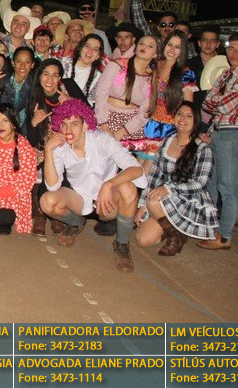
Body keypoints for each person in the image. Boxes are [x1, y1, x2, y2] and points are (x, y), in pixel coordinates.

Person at [41, 99, 146, 272]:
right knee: (47, 201)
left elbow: (136, 169)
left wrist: (109, 184)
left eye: (74, 124)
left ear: (85, 125)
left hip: (107, 204)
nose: (68, 130)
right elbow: (52, 186)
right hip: (80, 200)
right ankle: (76, 223)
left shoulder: (102, 140)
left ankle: (122, 244)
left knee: (128, 188)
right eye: (64, 124)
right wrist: (48, 150)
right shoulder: (60, 148)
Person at [200, 32, 238, 250]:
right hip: (219, 131)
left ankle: (224, 236)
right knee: (212, 183)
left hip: (233, 134)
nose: (234, 53)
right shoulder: (227, 73)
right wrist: (217, 103)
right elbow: (207, 103)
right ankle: (212, 229)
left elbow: (223, 105)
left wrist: (216, 101)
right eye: (231, 48)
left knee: (227, 186)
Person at [135, 101, 219, 256]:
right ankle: (173, 229)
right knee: (143, 240)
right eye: (179, 114)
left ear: (196, 121)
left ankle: (176, 236)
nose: (183, 118)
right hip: (166, 198)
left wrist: (168, 189)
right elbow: (154, 176)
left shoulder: (202, 148)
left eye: (189, 116)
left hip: (189, 199)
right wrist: (142, 206)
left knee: (154, 201)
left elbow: (201, 184)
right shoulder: (166, 142)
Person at [24, 58, 86, 236]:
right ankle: (41, 214)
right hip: (44, 148)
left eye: (54, 75)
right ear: (39, 77)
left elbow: (90, 117)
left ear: (60, 78)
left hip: (71, 145)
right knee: (42, 161)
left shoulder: (69, 87)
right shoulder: (35, 96)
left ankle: (54, 214)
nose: (49, 79)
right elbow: (33, 141)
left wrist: (72, 103)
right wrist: (34, 123)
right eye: (45, 74)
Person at [137, 32, 197, 169]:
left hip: (168, 129)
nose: (172, 49)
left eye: (177, 47)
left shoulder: (185, 73)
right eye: (170, 45)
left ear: (182, 51)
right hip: (147, 123)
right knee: (135, 168)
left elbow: (188, 107)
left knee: (147, 172)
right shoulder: (154, 65)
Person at [0, 103, 37, 234]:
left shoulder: (24, 147)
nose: (0, 125)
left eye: (5, 120)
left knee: (3, 218)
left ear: (14, 123)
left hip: (11, 193)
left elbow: (25, 183)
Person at [94, 35, 158, 153]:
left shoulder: (152, 78)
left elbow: (146, 111)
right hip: (105, 118)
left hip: (129, 126)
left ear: (155, 55)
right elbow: (100, 93)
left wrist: (122, 132)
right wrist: (103, 124)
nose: (144, 47)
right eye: (141, 43)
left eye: (150, 46)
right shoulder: (117, 65)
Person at [61, 34, 104, 107]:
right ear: (80, 48)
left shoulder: (98, 78)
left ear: (98, 56)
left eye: (95, 49)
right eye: (87, 46)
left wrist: (70, 99)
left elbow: (89, 106)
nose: (90, 51)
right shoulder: (63, 64)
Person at [0, 46, 35, 129]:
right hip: (0, 123)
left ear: (32, 64)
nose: (22, 66)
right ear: (13, 63)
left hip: (23, 126)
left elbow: (30, 113)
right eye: (18, 61)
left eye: (27, 62)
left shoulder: (35, 85)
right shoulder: (2, 80)